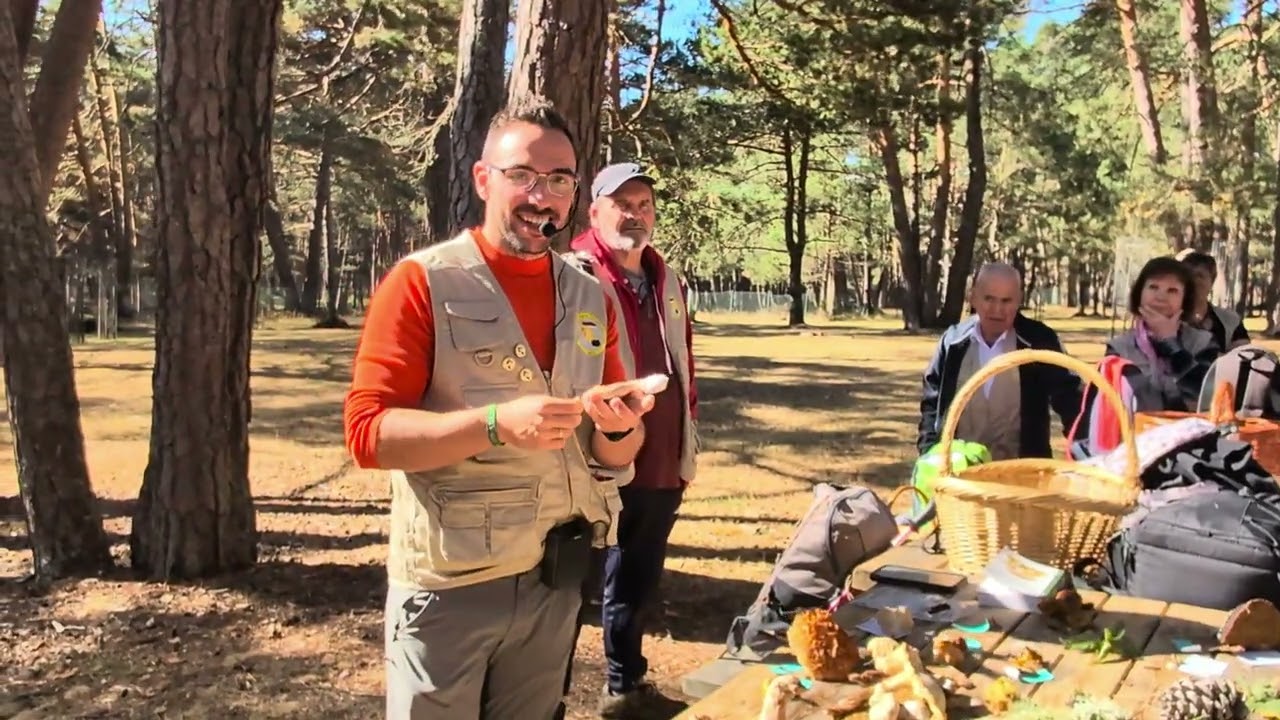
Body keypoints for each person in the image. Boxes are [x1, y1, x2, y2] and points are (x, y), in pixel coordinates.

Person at [343, 96, 657, 720]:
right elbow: (369, 434)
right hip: (450, 586)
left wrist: (621, 430)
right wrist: (494, 424)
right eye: (523, 176)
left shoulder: (590, 297)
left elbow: (615, 452)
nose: (542, 196)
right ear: (484, 178)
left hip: (553, 578)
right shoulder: (422, 281)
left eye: (560, 181)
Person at [564, 163, 699, 718]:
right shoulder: (573, 274)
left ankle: (624, 685)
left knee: (638, 579)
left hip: (660, 458)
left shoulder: (666, 278)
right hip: (589, 457)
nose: (634, 214)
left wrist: (687, 442)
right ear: (594, 212)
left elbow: (685, 363)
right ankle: (543, 692)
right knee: (570, 587)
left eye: (644, 204)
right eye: (622, 203)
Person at [917, 262, 1083, 460]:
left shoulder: (1039, 341)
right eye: (989, 299)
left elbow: (1070, 398)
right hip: (959, 474)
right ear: (973, 297)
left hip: (1021, 475)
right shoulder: (953, 343)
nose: (997, 309)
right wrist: (929, 453)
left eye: (1006, 301)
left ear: (1019, 300)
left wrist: (1087, 450)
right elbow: (932, 403)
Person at [1105, 255, 1216, 411]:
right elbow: (1121, 405)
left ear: (1185, 299)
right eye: (1153, 287)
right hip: (1136, 433)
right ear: (1139, 293)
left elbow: (1205, 398)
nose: (1161, 297)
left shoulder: (1203, 342)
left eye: (1172, 290)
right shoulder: (1119, 348)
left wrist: (1172, 345)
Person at [1179, 250, 1249, 354]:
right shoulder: (1167, 318)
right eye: (1188, 275)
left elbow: (1242, 357)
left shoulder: (1230, 320)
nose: (1193, 281)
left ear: (1212, 281)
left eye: (1200, 276)